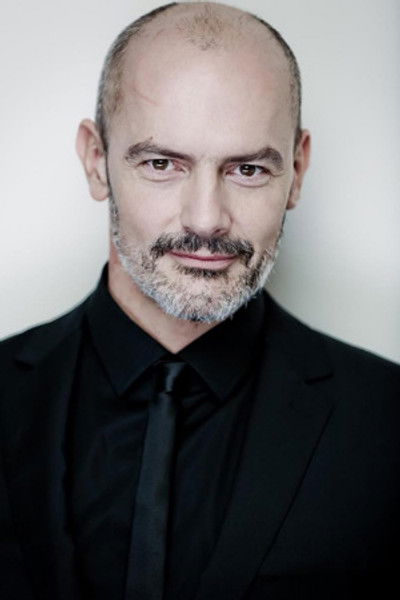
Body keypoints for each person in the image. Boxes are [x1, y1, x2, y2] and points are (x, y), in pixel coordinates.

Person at [0, 2, 399, 599]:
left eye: (248, 170)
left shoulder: (387, 419)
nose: (206, 220)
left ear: (297, 169)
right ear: (96, 161)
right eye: (162, 163)